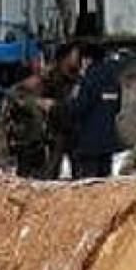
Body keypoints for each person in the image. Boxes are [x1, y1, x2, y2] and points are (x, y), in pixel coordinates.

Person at [69, 47, 121, 178]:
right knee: (105, 184)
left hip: (88, 143)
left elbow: (79, 107)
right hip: (108, 141)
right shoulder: (114, 79)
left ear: (87, 59)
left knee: (90, 186)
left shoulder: (88, 79)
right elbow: (117, 107)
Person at [41, 43, 82, 179]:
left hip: (74, 128)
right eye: (74, 54)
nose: (77, 57)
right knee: (52, 167)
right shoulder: (52, 77)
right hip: (57, 128)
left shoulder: (78, 76)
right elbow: (44, 102)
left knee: (79, 170)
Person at [5, 69, 54, 179]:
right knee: (23, 175)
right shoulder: (16, 92)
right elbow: (21, 104)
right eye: (34, 78)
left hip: (38, 141)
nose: (36, 81)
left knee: (41, 174)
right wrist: (38, 103)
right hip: (23, 142)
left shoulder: (37, 91)